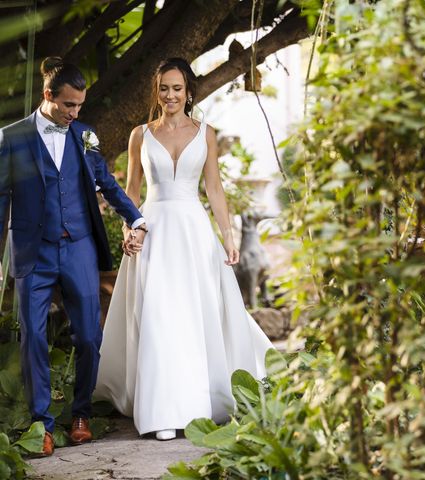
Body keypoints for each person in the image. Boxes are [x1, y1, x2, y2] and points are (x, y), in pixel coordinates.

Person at [94, 58, 273, 441]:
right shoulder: (139, 134)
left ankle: (194, 405)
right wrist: (130, 227)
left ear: (189, 91)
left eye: (177, 88)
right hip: (154, 231)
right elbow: (132, 192)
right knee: (158, 314)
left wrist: (228, 235)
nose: (170, 95)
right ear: (156, 91)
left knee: (193, 314)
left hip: (193, 232)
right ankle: (161, 412)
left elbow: (214, 188)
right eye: (164, 88)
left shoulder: (205, 133)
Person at [0, 57, 147, 456]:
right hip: (33, 249)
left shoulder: (84, 135)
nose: (75, 113)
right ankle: (41, 424)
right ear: (48, 96)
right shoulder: (10, 137)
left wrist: (136, 217)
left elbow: (108, 183)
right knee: (32, 335)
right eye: (68, 105)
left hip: (79, 246)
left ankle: (80, 413)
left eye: (79, 106)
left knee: (88, 335)